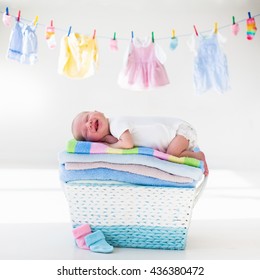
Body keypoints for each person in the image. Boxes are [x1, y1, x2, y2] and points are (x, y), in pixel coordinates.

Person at [71, 111, 209, 175]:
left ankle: (199, 156)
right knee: (172, 155)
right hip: (177, 135)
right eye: (85, 131)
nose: (88, 123)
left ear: (98, 112)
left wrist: (109, 146)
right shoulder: (114, 132)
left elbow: (127, 144)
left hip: (180, 131)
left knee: (172, 155)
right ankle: (189, 154)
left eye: (87, 117)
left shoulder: (116, 123)